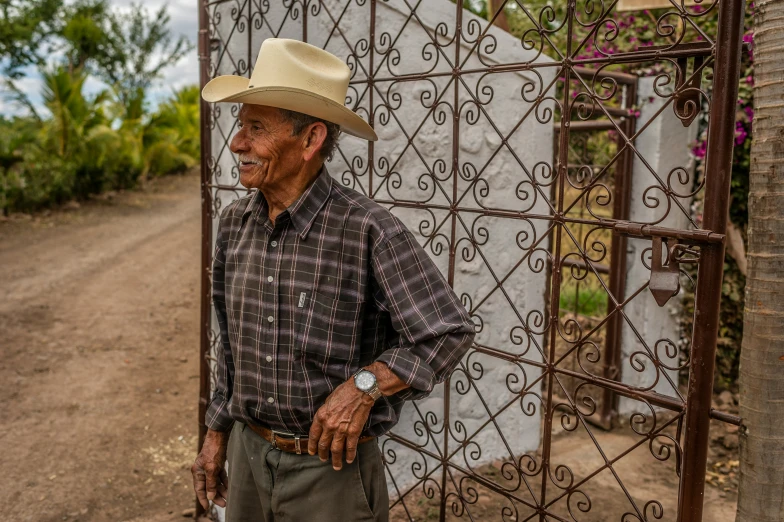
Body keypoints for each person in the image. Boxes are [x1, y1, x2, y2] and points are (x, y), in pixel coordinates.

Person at [191, 38, 476, 522]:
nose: (238, 144)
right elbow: (230, 346)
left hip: (330, 472)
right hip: (248, 455)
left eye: (255, 128)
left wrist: (363, 385)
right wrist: (216, 433)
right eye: (241, 127)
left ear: (310, 139)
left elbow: (447, 332)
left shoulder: (366, 229)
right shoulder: (235, 224)